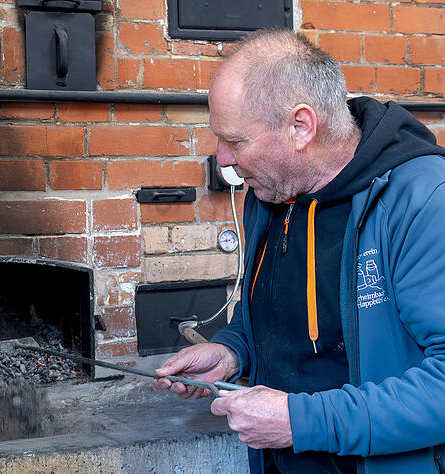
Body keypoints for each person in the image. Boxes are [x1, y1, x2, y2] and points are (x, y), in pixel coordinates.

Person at [153, 28, 445, 474]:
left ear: (301, 126)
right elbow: (276, 318)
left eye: (236, 142)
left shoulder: (423, 200)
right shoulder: (270, 193)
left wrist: (301, 421)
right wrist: (232, 351)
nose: (223, 158)